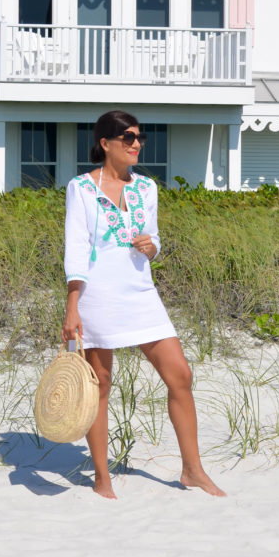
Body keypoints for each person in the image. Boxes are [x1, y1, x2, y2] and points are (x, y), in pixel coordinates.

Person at [62, 109, 225, 499]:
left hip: (140, 293)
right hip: (97, 296)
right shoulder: (81, 188)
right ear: (106, 144)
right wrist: (72, 306)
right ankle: (102, 477)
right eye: (128, 138)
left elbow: (152, 238)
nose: (137, 144)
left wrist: (153, 247)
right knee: (99, 386)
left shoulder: (146, 188)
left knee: (180, 375)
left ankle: (192, 469)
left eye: (139, 138)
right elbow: (77, 247)